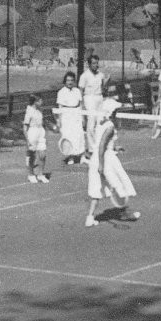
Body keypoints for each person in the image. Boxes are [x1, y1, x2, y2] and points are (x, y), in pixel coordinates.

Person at [85, 97, 137, 227]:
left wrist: (115, 147)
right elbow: (102, 145)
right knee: (119, 185)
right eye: (115, 110)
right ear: (111, 111)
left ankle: (90, 218)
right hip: (105, 159)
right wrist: (101, 164)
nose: (116, 112)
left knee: (97, 189)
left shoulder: (101, 123)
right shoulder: (110, 126)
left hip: (97, 159)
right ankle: (124, 212)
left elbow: (103, 143)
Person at [55, 71, 84, 165]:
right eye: (68, 80)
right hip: (66, 115)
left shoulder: (77, 91)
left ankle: (79, 156)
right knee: (68, 136)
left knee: (78, 135)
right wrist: (59, 121)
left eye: (71, 80)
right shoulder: (61, 92)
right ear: (65, 81)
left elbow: (80, 104)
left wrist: (83, 117)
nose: (70, 82)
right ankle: (70, 157)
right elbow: (60, 108)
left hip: (77, 114)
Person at [23, 94, 50, 184]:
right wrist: (27, 140)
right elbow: (25, 127)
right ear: (35, 102)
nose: (41, 102)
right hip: (32, 132)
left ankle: (40, 174)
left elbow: (42, 122)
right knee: (32, 155)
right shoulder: (29, 111)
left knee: (43, 154)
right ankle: (31, 175)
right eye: (40, 100)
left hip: (40, 132)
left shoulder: (40, 110)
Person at [78, 54, 108, 120]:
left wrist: (107, 82)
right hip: (89, 99)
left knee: (100, 118)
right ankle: (90, 131)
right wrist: (82, 105)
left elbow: (103, 89)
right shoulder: (84, 76)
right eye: (94, 63)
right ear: (89, 64)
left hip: (99, 98)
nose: (96, 65)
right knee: (91, 118)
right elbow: (80, 91)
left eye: (97, 63)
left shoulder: (101, 75)